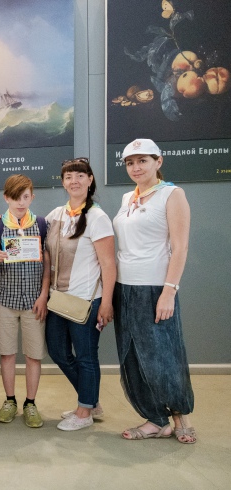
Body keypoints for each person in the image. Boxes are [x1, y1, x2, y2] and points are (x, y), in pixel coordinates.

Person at [112, 138, 196, 443]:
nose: (136, 167)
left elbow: (180, 247)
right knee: (133, 357)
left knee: (165, 356)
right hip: (125, 288)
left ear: (158, 162)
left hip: (155, 288)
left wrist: (169, 292)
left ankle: (180, 417)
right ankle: (156, 420)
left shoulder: (172, 194)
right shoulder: (127, 197)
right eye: (130, 162)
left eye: (142, 161)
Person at [44, 160, 116, 431]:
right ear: (63, 182)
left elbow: (108, 264)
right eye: (68, 177)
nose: (74, 181)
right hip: (58, 300)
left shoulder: (98, 217)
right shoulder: (56, 215)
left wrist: (106, 302)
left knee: (86, 356)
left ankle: (85, 411)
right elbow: (35, 238)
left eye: (79, 176)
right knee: (58, 352)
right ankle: (91, 400)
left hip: (87, 300)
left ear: (90, 180)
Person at [0, 175, 50, 428]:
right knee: (7, 353)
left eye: (25, 197)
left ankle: (30, 403)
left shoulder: (42, 225)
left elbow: (48, 266)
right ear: (6, 198)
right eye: (15, 197)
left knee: (34, 355)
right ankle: (10, 400)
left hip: (34, 302)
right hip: (5, 299)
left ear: (32, 197)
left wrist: (43, 295)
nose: (20, 202)